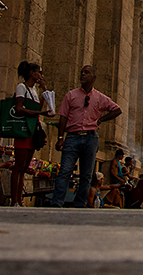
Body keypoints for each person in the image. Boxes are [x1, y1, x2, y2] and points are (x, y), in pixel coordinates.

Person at [48, 65, 122, 208]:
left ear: (94, 77)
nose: (83, 74)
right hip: (72, 137)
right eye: (82, 72)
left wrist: (101, 120)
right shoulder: (71, 95)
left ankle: (80, 204)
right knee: (65, 171)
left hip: (90, 138)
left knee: (86, 174)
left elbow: (117, 110)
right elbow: (63, 116)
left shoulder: (100, 97)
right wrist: (60, 138)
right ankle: (57, 203)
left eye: (86, 72)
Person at [10, 60, 49, 207]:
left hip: (32, 129)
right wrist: (39, 113)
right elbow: (19, 108)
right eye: (39, 72)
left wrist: (44, 92)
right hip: (23, 129)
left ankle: (19, 199)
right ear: (32, 73)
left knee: (25, 167)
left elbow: (37, 108)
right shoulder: (22, 87)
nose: (41, 75)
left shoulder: (34, 91)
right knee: (18, 166)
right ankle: (14, 199)